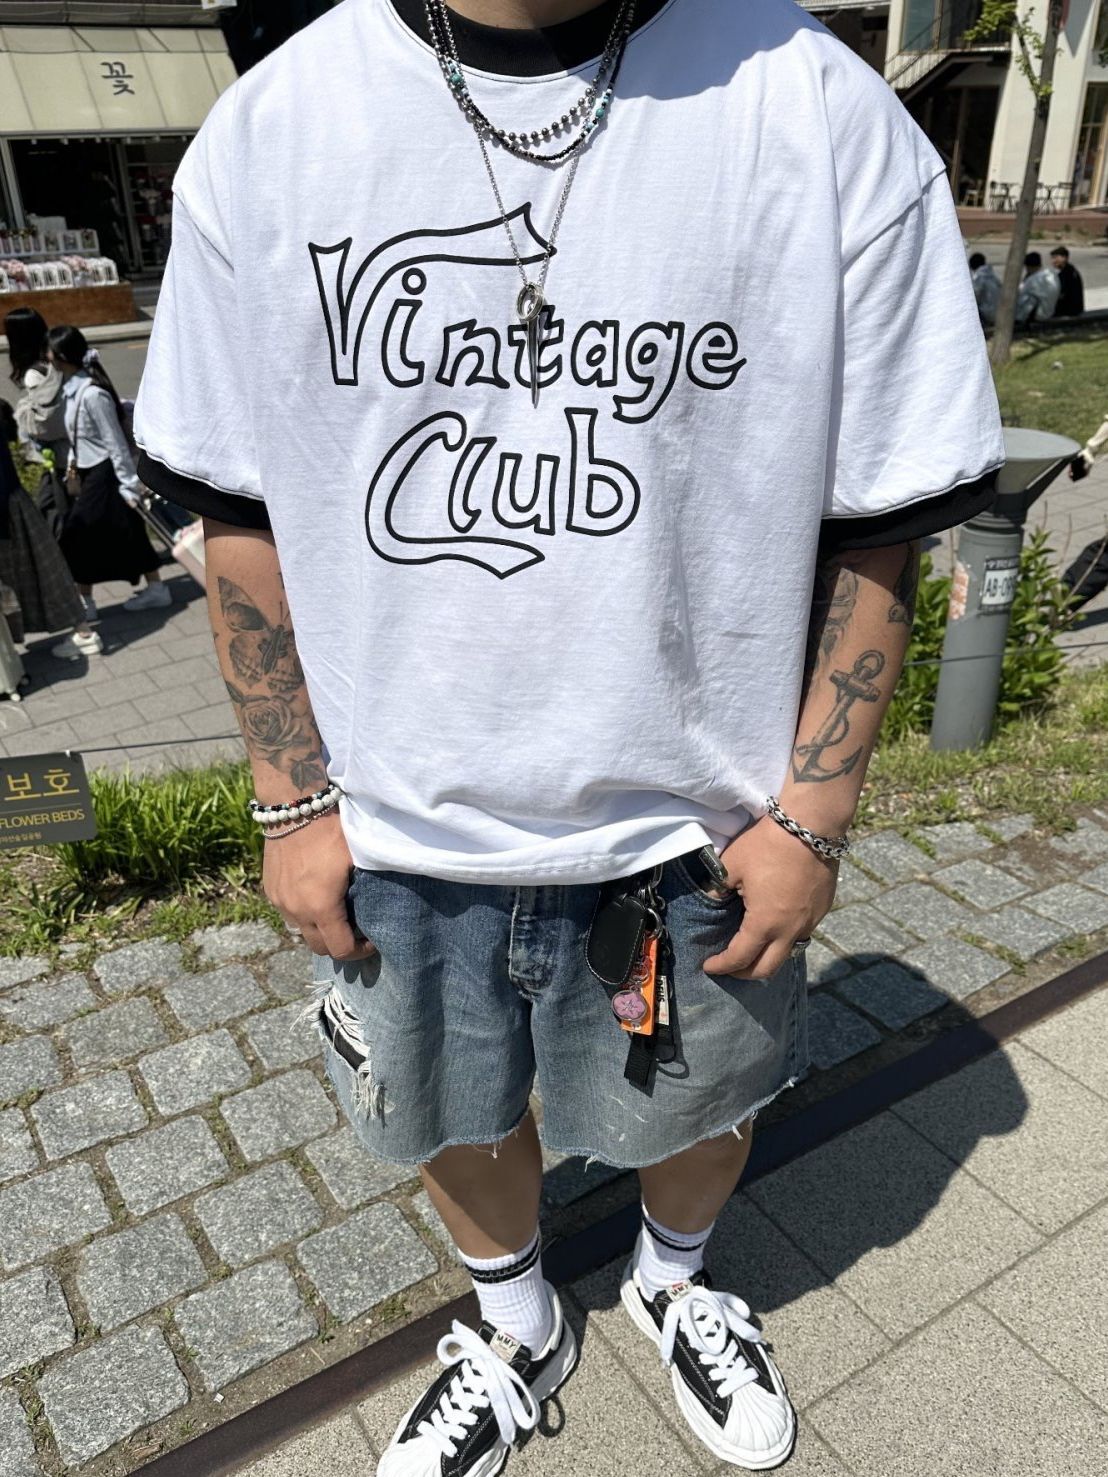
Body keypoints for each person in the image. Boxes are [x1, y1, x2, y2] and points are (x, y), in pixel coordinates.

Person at [134, 1, 1003, 1471]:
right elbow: (235, 507)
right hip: (398, 829)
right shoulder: (275, 128)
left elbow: (886, 515)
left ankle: (673, 1281)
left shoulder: (817, 110)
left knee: (704, 1103)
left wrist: (814, 816)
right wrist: (290, 800)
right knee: (444, 1118)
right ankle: (519, 1322)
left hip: (697, 832)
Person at [47, 326, 169, 617]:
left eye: (49, 350)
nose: (46, 356)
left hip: (106, 474)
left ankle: (86, 604)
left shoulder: (92, 394)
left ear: (61, 355)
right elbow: (78, 436)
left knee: (78, 534)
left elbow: (115, 443)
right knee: (129, 531)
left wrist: (128, 484)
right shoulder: (73, 389)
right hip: (92, 472)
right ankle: (155, 589)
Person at [0, 406, 102, 661]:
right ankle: (82, 631)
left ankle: (84, 633)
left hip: (7, 511)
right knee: (42, 571)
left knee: (40, 574)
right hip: (14, 504)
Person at [1015, 251, 1060, 324]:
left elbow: (1021, 296)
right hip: (1050, 312)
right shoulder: (1052, 274)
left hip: (1038, 316)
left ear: (1028, 267)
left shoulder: (1032, 280)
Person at [1051, 245, 1084, 318]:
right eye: (1052, 258)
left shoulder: (1068, 273)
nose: (1053, 261)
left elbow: (1062, 294)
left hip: (1069, 311)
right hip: (1072, 309)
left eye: (1055, 258)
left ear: (1064, 258)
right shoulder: (1069, 270)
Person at [969, 251, 1000, 326]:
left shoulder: (979, 277)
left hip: (988, 313)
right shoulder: (993, 276)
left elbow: (974, 297)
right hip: (999, 312)